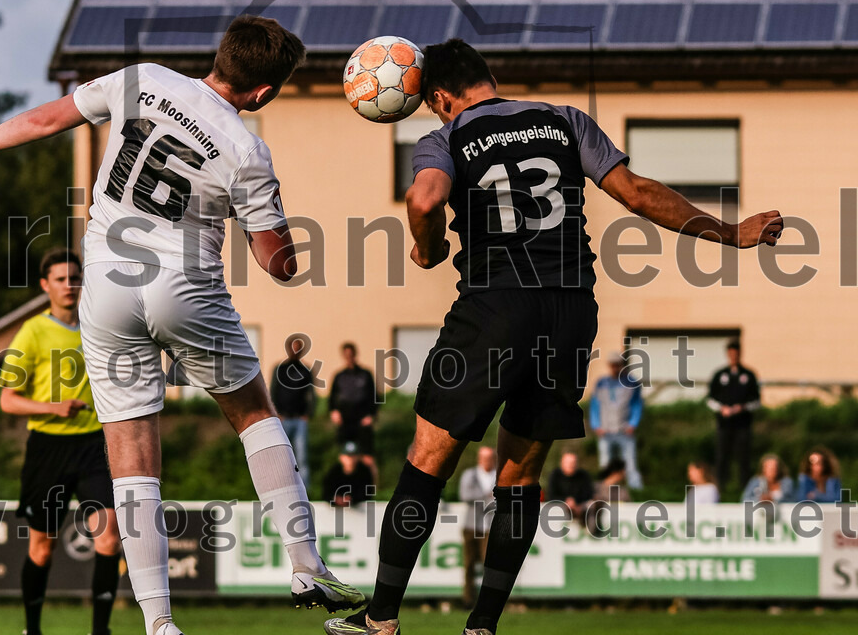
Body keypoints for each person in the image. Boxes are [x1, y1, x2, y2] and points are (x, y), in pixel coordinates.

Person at [0, 16, 363, 635]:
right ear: (265, 92)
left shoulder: (143, 79)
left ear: (221, 56)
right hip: (185, 286)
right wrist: (288, 244)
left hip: (107, 289)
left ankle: (158, 623)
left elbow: (48, 118)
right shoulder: (246, 149)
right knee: (256, 415)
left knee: (130, 456)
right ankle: (306, 564)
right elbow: (276, 263)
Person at [325, 38, 782, 635]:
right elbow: (638, 194)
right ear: (489, 78)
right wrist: (732, 232)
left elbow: (425, 197)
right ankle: (482, 625)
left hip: (494, 309)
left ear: (439, 97)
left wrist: (430, 248)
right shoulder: (564, 120)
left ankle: (380, 619)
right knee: (520, 475)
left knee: (428, 462)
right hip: (570, 313)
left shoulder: (446, 137)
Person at [0, 248, 121, 635]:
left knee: (109, 537)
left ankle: (101, 630)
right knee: (41, 548)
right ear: (45, 285)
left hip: (93, 446)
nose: (69, 285)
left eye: (75, 277)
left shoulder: (98, 325)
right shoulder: (33, 331)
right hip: (47, 449)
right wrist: (53, 406)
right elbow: (7, 399)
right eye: (61, 278)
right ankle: (31, 630)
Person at [706, 340, 761, 494]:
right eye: (731, 353)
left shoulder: (749, 375)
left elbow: (757, 401)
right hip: (724, 425)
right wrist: (721, 408)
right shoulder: (720, 375)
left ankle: (745, 491)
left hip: (743, 425)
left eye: (736, 353)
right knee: (722, 458)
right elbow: (710, 399)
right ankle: (720, 490)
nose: (733, 356)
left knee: (744, 459)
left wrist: (742, 408)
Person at [589, 351, 644, 489]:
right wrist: (596, 425)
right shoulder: (601, 383)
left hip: (624, 430)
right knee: (605, 462)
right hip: (606, 431)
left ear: (622, 365)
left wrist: (633, 423)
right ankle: (604, 490)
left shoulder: (632, 383)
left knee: (630, 462)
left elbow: (637, 404)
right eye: (612, 365)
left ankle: (635, 490)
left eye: (618, 365)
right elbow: (595, 405)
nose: (615, 368)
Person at [271, 335, 315, 487]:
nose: (296, 351)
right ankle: (279, 485)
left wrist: (308, 414)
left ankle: (305, 489)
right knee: (281, 455)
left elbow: (311, 394)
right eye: (293, 347)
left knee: (302, 456)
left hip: (299, 419)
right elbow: (273, 391)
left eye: (299, 348)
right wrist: (275, 413)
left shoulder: (305, 370)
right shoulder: (280, 369)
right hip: (283, 418)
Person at [329, 342, 378, 473]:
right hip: (345, 422)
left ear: (355, 354)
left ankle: (371, 488)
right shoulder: (339, 376)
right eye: (346, 355)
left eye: (351, 354)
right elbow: (332, 398)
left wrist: (371, 415)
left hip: (362, 420)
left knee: (367, 457)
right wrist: (334, 412)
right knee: (346, 457)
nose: (349, 357)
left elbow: (375, 397)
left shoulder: (365, 374)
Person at [459, 447, 497, 607]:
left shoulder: (499, 475)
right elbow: (465, 495)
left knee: (488, 565)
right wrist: (486, 496)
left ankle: (487, 602)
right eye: (483, 457)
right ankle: (468, 599)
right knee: (468, 564)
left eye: (489, 458)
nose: (486, 461)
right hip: (471, 525)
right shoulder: (470, 474)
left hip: (490, 526)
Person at [322, 441, 376, 507]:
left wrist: (352, 499)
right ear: (341, 457)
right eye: (347, 456)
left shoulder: (364, 472)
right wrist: (335, 499)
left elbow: (368, 493)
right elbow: (326, 493)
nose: (350, 459)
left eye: (353, 456)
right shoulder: (333, 473)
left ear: (358, 457)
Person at [546, 452, 594, 523]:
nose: (571, 465)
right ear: (562, 463)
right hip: (560, 509)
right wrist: (566, 501)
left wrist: (576, 502)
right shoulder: (555, 475)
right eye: (568, 463)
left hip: (582, 507)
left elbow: (588, 493)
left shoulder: (583, 475)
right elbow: (551, 495)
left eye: (573, 463)